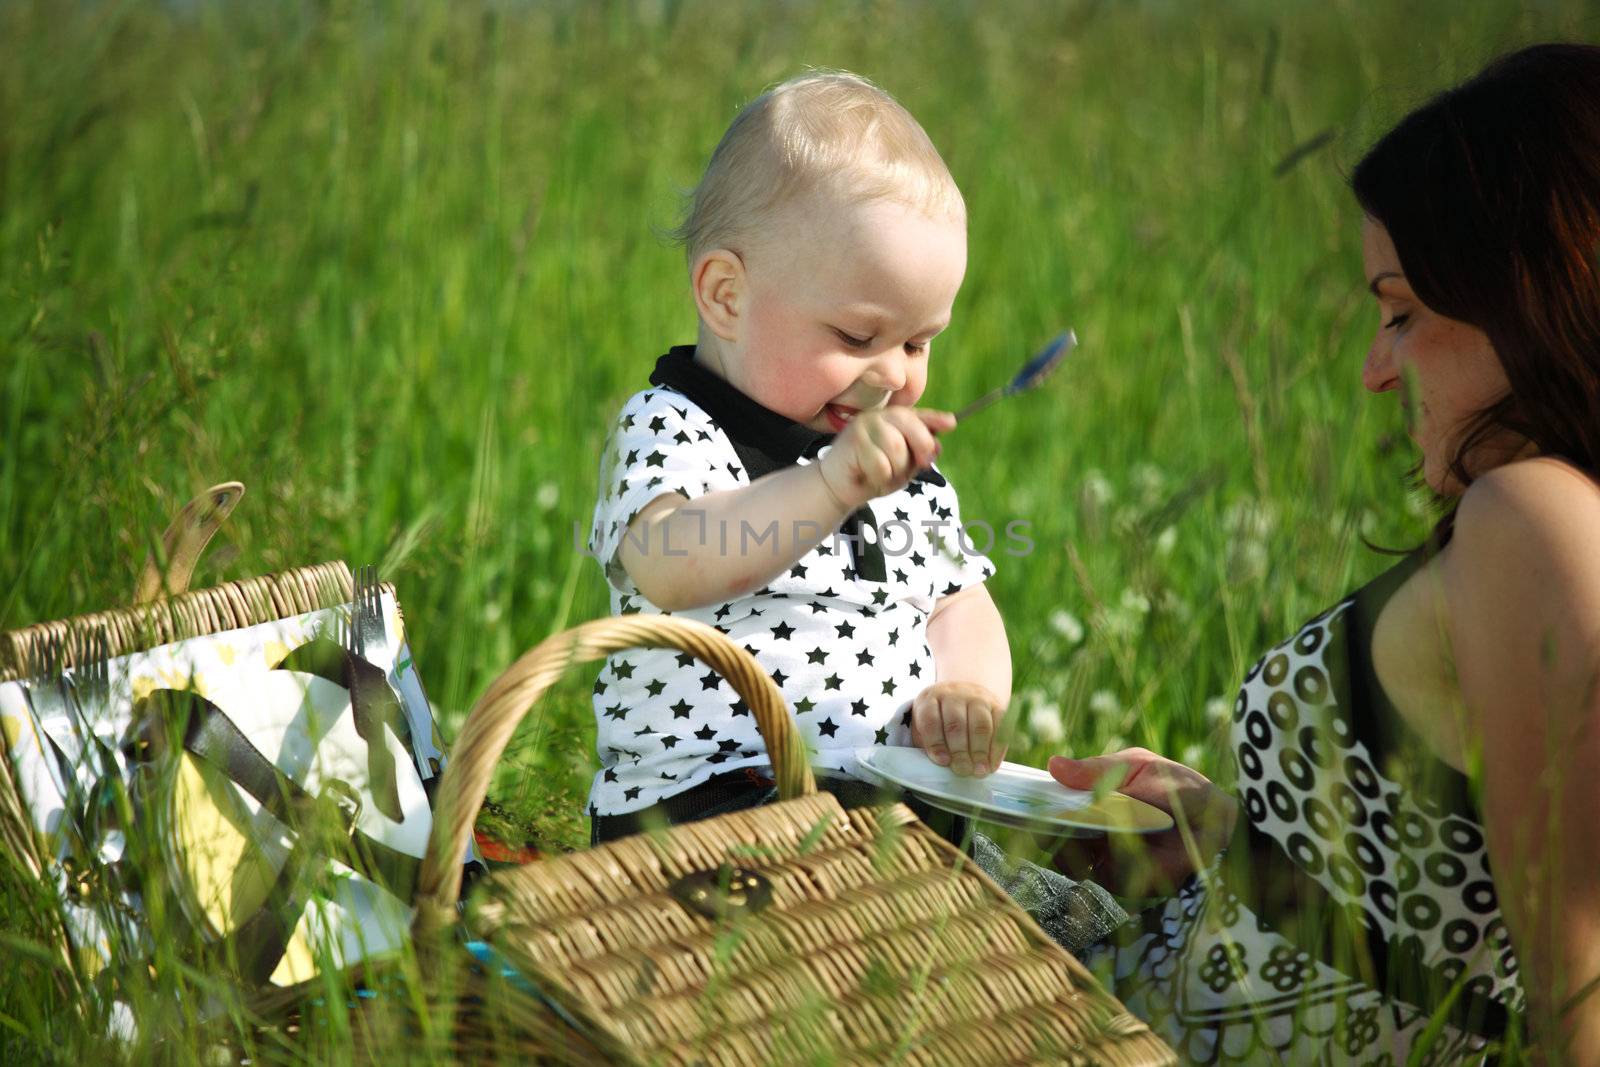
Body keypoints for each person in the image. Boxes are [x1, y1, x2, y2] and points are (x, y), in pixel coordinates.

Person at [1040, 43, 1600, 1064]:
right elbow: (1428, 937)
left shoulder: (1536, 516)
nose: (1374, 371)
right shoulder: (1528, 522)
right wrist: (1225, 836)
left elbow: (1573, 973)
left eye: (1400, 311)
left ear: (1526, 294)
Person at [583, 72, 1011, 843]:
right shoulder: (675, 426)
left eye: (918, 343)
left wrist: (970, 690)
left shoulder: (898, 468)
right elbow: (672, 561)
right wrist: (829, 484)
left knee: (1049, 916)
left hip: (894, 806)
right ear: (726, 297)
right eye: (857, 337)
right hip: (712, 810)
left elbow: (958, 600)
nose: (892, 374)